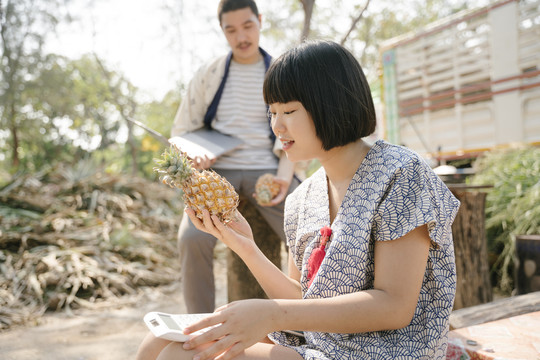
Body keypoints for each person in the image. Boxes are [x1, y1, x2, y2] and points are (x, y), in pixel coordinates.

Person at [136, 40, 460, 360]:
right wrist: (245, 245)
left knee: (180, 353)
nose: (277, 125)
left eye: (289, 111)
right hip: (318, 346)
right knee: (156, 342)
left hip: (384, 353)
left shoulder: (401, 175)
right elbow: (304, 301)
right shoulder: (302, 197)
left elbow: (394, 306)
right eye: (272, 112)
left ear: (331, 104)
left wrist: (273, 315)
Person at [170, 0, 298, 314]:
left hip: (269, 169)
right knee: (191, 239)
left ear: (260, 21)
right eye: (231, 30)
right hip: (218, 174)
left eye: (248, 26)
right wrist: (194, 157)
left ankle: (315, 316)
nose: (241, 36)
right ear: (223, 31)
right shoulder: (208, 74)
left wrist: (284, 176)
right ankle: (200, 324)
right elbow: (182, 130)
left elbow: (297, 130)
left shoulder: (281, 72)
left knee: (306, 228)